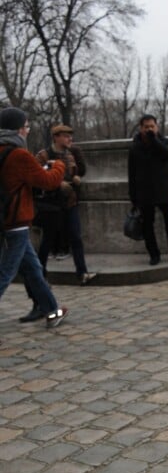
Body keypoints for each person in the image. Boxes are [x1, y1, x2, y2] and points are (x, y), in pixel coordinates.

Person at [0, 107, 69, 328]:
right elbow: (48, 181)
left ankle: (51, 310)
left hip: (5, 221)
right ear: (19, 129)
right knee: (5, 274)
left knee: (32, 268)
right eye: (27, 127)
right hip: (15, 222)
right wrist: (59, 165)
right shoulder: (18, 154)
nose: (28, 131)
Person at [35, 124, 97, 286]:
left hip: (70, 202)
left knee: (76, 237)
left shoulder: (71, 154)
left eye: (70, 136)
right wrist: (58, 184)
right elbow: (37, 177)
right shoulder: (43, 155)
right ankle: (41, 275)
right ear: (56, 137)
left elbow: (76, 172)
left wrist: (75, 178)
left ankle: (82, 273)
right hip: (51, 205)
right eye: (65, 136)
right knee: (47, 240)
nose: (70, 139)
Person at [128, 114, 168, 265]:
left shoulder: (164, 142)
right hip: (144, 193)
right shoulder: (135, 147)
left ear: (157, 127)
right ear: (141, 129)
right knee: (147, 226)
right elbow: (131, 173)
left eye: (152, 126)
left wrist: (154, 140)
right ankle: (154, 254)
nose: (149, 129)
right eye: (146, 127)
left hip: (165, 191)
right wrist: (133, 198)